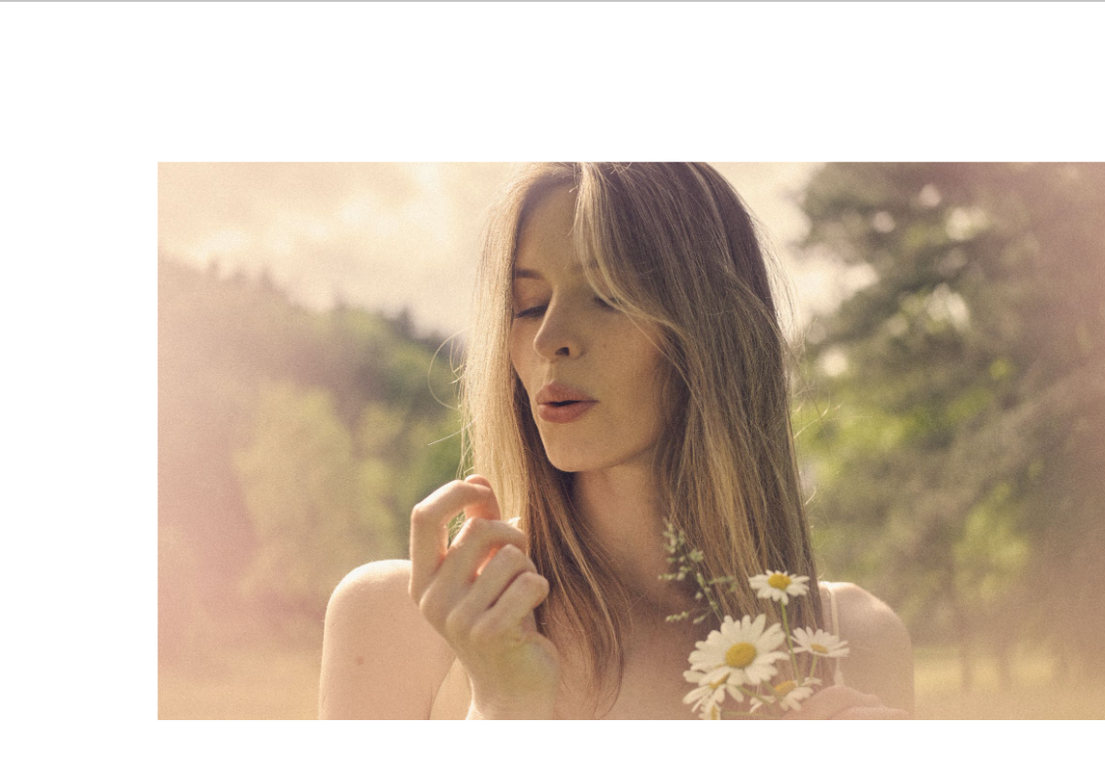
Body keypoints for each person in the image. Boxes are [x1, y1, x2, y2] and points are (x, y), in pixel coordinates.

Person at [319, 162, 913, 720]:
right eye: (528, 306)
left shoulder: (851, 640)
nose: (551, 336)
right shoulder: (398, 622)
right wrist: (504, 710)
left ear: (714, 334)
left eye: (607, 296)